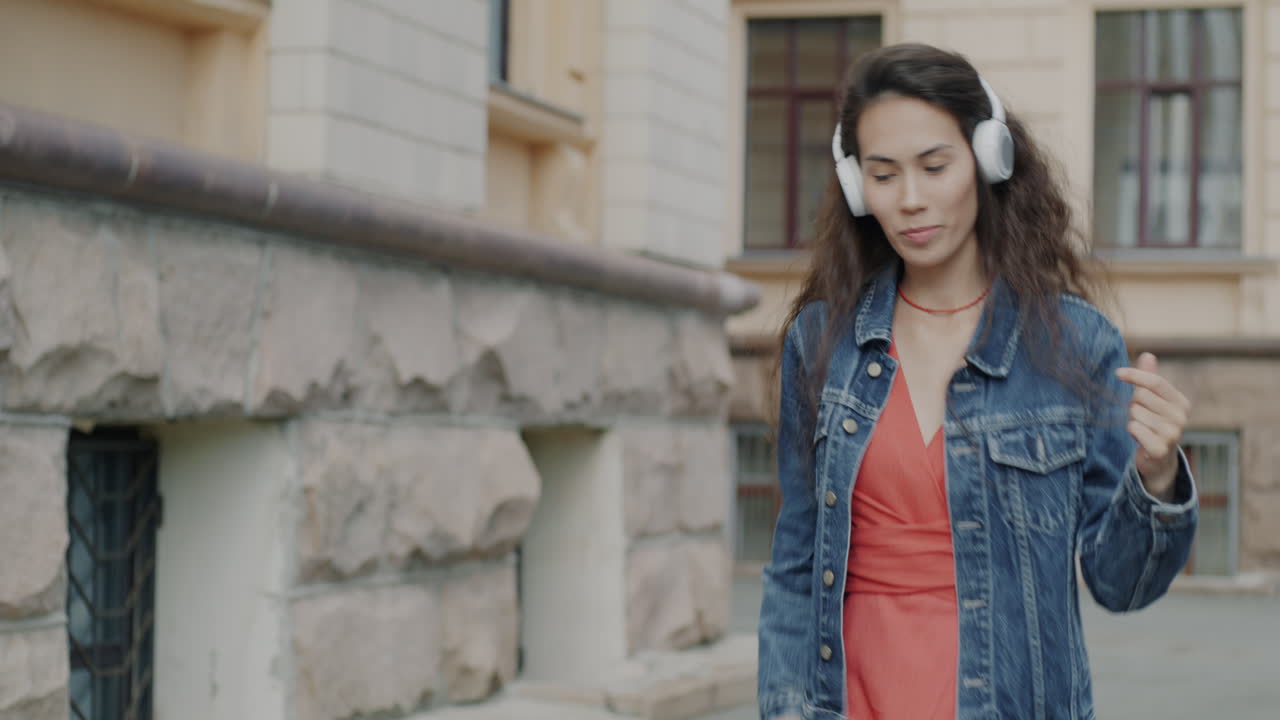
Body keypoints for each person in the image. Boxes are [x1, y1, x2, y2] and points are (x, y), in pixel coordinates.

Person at [756, 43, 1198, 720]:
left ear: (988, 158)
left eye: (935, 166)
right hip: (847, 698)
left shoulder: (1074, 343)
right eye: (883, 174)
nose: (910, 199)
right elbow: (793, 568)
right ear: (857, 187)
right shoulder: (820, 342)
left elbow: (1120, 585)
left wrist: (1157, 475)